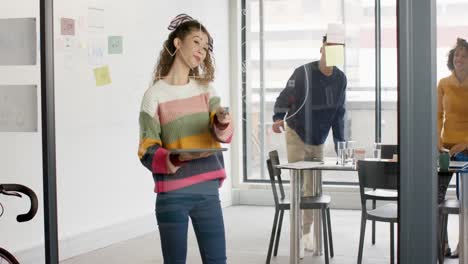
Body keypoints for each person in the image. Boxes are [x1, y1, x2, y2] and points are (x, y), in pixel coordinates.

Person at [137, 14, 233, 264]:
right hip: (172, 193)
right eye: (197, 42)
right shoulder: (154, 95)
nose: (201, 51)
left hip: (207, 191)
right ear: (178, 43)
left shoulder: (206, 89)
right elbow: (146, 150)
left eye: (206, 47)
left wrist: (222, 120)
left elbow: (223, 133)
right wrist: (176, 157)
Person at [272, 35, 347, 254]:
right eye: (329, 47)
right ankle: (300, 236)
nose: (332, 51)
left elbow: (339, 113)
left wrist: (340, 144)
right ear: (321, 49)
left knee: (312, 189)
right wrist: (278, 116)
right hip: (296, 132)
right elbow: (286, 95)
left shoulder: (340, 79)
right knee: (299, 184)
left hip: (319, 137)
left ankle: (306, 232)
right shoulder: (303, 72)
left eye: (337, 49)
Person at [437, 37, 468, 258]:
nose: (460, 58)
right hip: (446, 148)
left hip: (466, 147)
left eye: (464, 55)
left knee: (464, 198)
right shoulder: (443, 83)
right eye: (457, 55)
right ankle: (442, 244)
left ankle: (463, 246)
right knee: (436, 196)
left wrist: (464, 143)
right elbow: (438, 116)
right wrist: (436, 141)